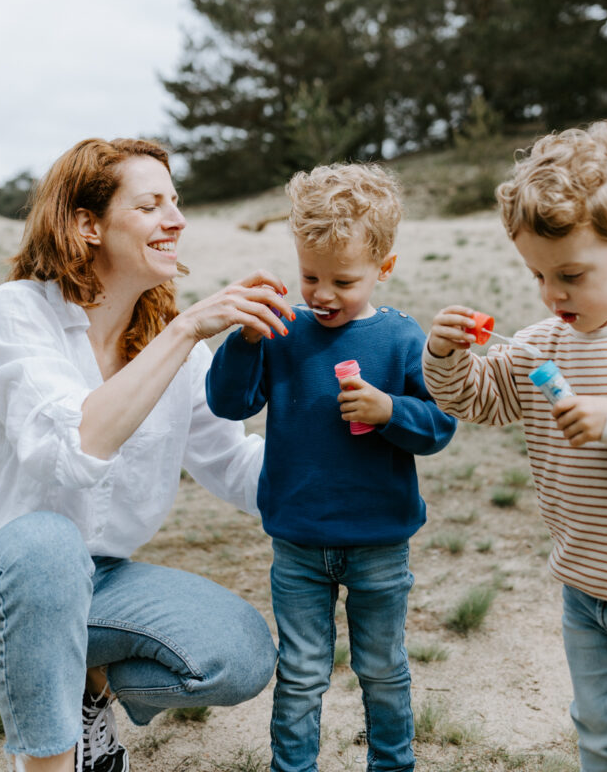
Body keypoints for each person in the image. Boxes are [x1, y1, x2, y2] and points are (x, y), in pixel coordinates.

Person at [0, 137, 292, 772]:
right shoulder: (16, 315)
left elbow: (236, 467)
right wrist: (186, 330)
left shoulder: (165, 347)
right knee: (46, 542)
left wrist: (340, 461)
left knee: (237, 652)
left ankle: (84, 685)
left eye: (176, 202)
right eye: (152, 205)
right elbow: (75, 449)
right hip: (7, 574)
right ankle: (48, 760)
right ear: (87, 225)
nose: (177, 220)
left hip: (101, 581)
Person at [422, 121, 607, 772]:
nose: (551, 294)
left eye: (570, 274)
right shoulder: (540, 344)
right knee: (598, 737)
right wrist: (446, 353)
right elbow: (479, 398)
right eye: (537, 274)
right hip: (585, 592)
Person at [205, 161, 457, 772]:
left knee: (383, 668)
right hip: (297, 542)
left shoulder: (401, 339)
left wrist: (390, 409)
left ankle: (391, 765)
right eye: (309, 275)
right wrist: (244, 338)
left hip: (379, 543)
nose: (321, 293)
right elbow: (228, 403)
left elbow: (439, 427)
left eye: (343, 280)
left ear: (383, 269)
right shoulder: (282, 331)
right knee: (301, 670)